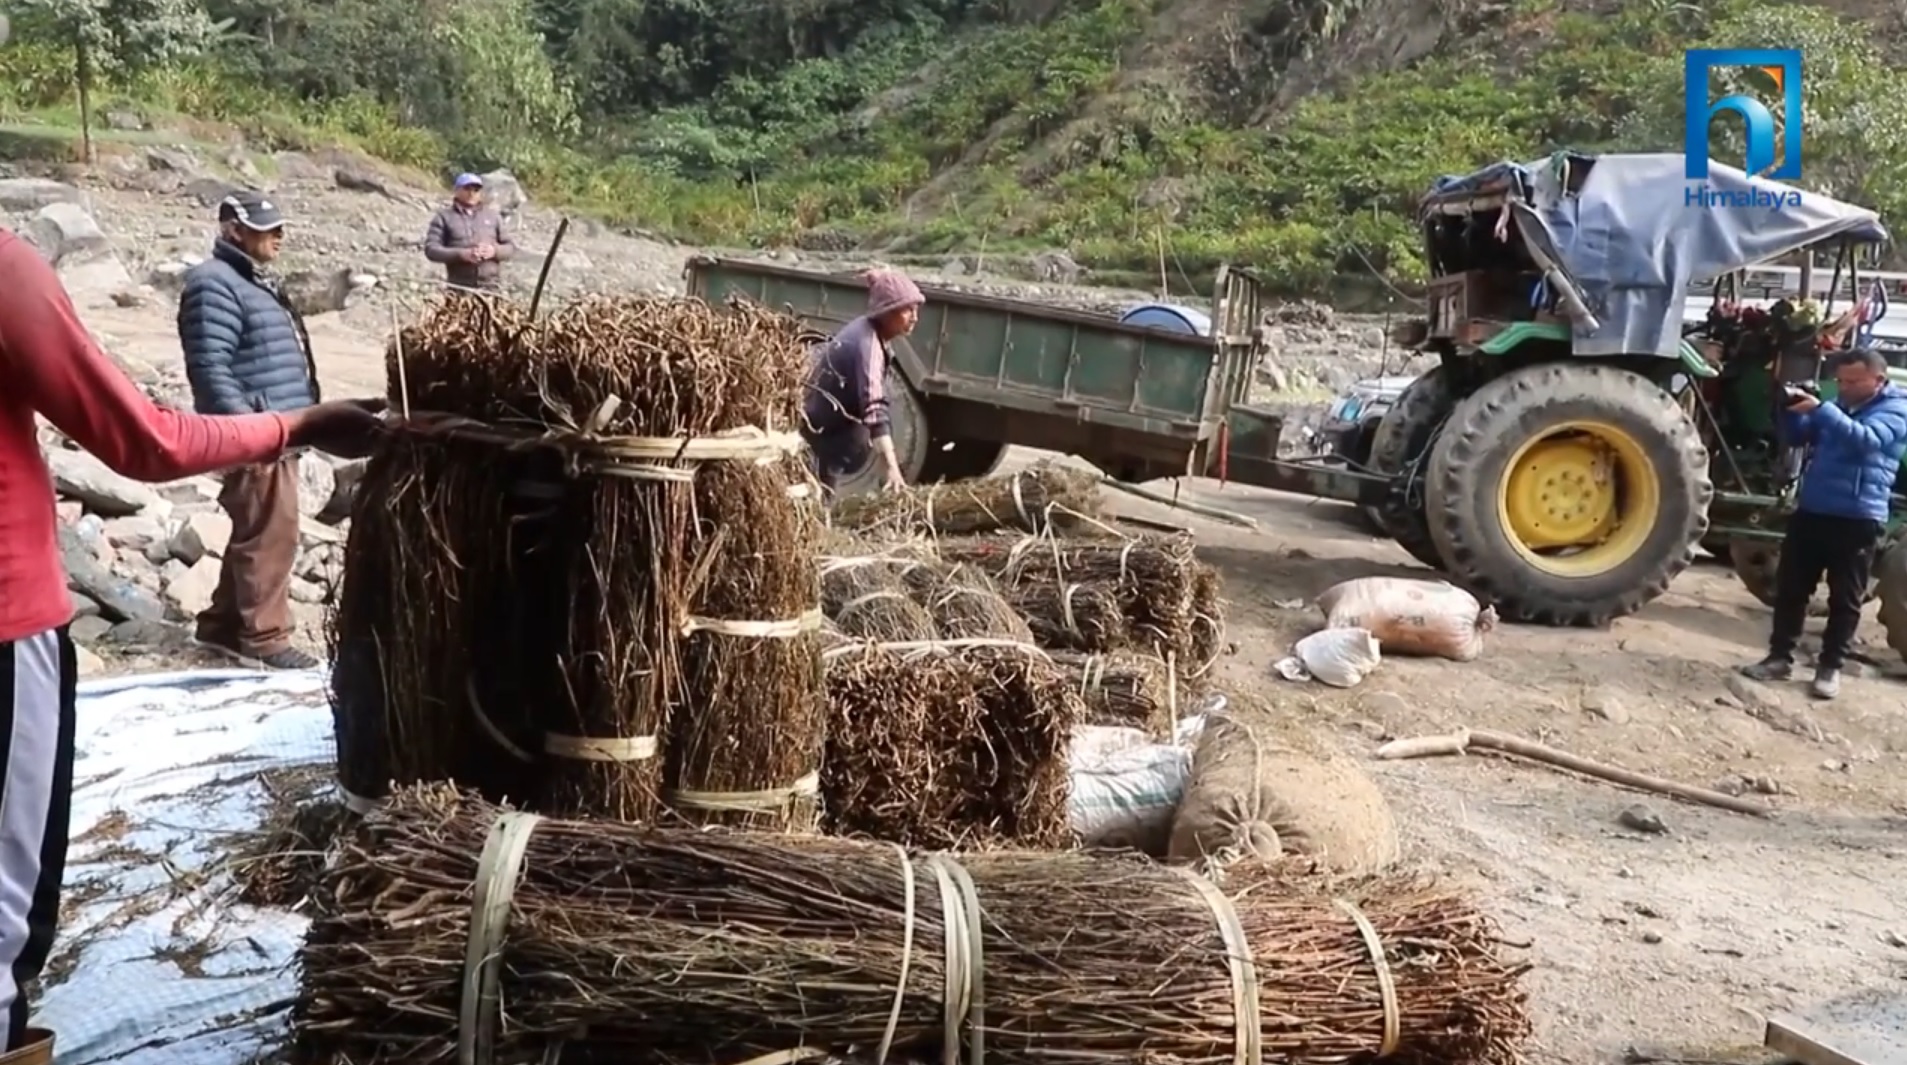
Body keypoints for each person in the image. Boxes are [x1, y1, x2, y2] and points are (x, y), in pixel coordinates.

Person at [0, 228, 384, 1063]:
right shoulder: (6, 269)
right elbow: (148, 441)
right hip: (5, 628)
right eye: (266, 227)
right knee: (2, 908)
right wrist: (301, 425)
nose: (276, 239)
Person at [178, 192, 323, 670]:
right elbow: (210, 366)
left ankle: (222, 626)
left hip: (276, 425)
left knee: (255, 526)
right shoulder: (213, 284)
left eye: (279, 226)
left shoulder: (249, 282)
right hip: (258, 431)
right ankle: (266, 639)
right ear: (231, 229)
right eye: (265, 228)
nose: (278, 235)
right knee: (272, 533)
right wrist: (248, 428)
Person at [1740, 347, 1907, 699]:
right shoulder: (1840, 406)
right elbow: (1800, 437)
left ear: (1878, 379)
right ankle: (1779, 658)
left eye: (1852, 381)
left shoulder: (1896, 409)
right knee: (1791, 590)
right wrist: (1790, 411)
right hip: (1813, 510)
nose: (1843, 387)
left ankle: (1830, 668)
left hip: (1858, 516)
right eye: (1840, 380)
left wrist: (1822, 409)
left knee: (1844, 599)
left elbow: (1866, 441)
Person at [802, 269, 924, 494]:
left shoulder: (873, 334)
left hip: (830, 431)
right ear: (887, 311)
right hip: (823, 433)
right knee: (820, 493)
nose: (915, 317)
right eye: (908, 309)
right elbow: (874, 407)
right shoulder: (867, 346)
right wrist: (892, 469)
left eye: (916, 309)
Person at [423, 172, 515, 291]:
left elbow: (510, 248)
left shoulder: (493, 216)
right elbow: (431, 250)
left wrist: (494, 251)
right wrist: (461, 254)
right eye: (467, 189)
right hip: (459, 288)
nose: (471, 193)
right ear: (456, 190)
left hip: (491, 288)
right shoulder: (443, 217)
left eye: (476, 190)